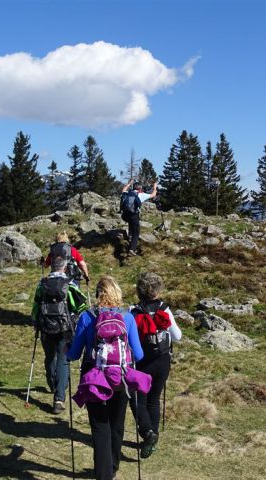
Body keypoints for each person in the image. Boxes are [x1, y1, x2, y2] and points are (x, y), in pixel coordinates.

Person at [67, 276, 144, 480]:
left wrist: (68, 352)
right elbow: (139, 354)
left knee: (100, 426)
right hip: (121, 378)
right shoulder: (127, 318)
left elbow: (74, 354)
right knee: (117, 423)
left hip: (94, 379)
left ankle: (104, 475)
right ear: (117, 293)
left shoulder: (87, 317)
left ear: (97, 295)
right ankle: (114, 467)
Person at [130, 272, 182, 459]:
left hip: (142, 361)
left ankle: (147, 432)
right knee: (154, 399)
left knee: (138, 400)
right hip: (162, 360)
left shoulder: (133, 310)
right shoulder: (164, 309)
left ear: (139, 290)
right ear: (158, 290)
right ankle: (154, 437)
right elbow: (177, 336)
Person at [32, 255, 88, 414]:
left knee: (50, 357)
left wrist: (35, 322)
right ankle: (59, 398)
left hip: (45, 328)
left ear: (52, 267)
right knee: (63, 360)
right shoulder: (69, 285)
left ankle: (52, 382)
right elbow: (81, 307)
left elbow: (36, 306)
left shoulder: (42, 284)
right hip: (65, 329)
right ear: (64, 267)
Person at [120, 180, 158, 256]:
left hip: (124, 215)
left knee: (130, 222)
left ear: (133, 187)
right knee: (136, 233)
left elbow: (123, 190)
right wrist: (155, 187)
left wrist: (129, 184)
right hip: (134, 215)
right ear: (140, 189)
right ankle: (132, 249)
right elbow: (153, 195)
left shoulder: (127, 193)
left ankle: (130, 237)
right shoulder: (141, 194)